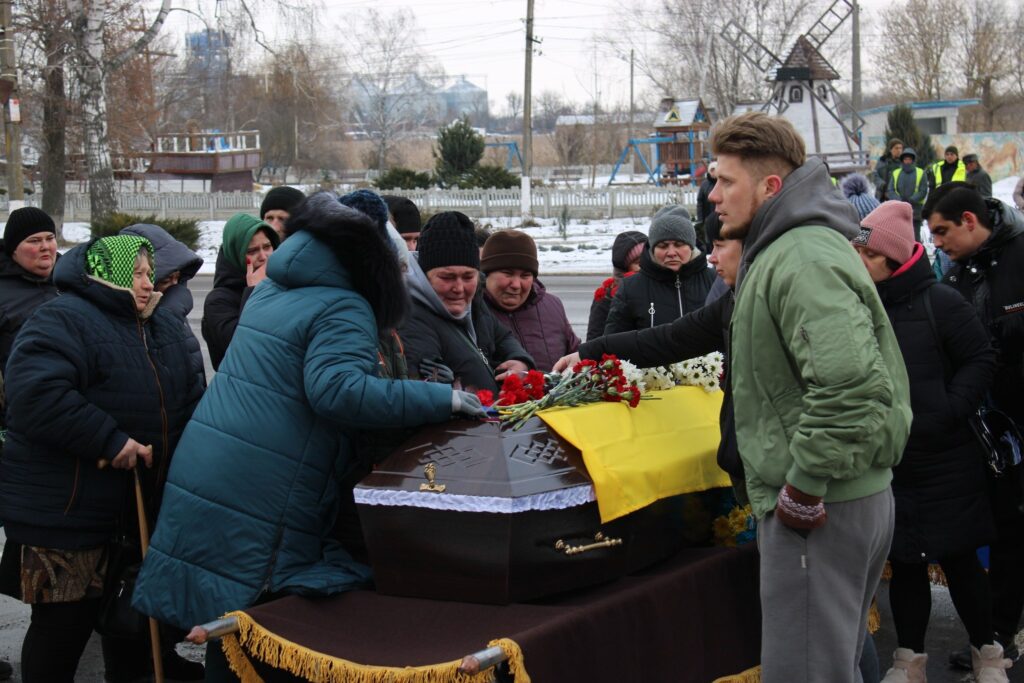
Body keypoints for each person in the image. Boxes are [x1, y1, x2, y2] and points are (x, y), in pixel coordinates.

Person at [132, 194, 488, 681]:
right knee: (262, 621)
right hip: (266, 485)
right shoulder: (345, 304)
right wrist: (443, 399)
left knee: (230, 615)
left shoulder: (277, 287)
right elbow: (337, 391)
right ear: (374, 263)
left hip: (218, 466)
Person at [707, 111, 912, 683]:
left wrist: (803, 488)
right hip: (837, 497)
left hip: (822, 507)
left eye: (726, 181)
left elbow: (850, 384)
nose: (714, 195)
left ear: (770, 186)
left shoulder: (801, 256)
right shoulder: (790, 247)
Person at [0, 235, 204, 683]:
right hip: (67, 514)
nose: (148, 284)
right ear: (106, 274)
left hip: (135, 513)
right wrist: (111, 441)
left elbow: (190, 398)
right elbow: (36, 395)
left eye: (149, 274)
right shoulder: (62, 318)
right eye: (137, 274)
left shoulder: (161, 325)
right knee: (62, 630)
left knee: (128, 622)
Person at [850, 201, 1009, 682]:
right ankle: (909, 661)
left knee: (960, 562)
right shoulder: (858, 305)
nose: (859, 261)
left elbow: (981, 358)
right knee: (906, 562)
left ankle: (988, 656)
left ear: (894, 258)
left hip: (947, 459)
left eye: (868, 254)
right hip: (892, 461)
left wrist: (948, 409)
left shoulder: (941, 301)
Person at [923, 183, 1024, 671]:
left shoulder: (1020, 256)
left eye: (942, 231)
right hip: (990, 433)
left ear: (969, 220)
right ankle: (999, 637)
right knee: (1006, 531)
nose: (937, 243)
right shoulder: (954, 276)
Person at [399, 211, 534, 393]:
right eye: (447, 277)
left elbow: (502, 336)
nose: (459, 288)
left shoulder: (474, 301)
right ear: (424, 275)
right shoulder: (411, 318)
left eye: (468, 276)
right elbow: (427, 392)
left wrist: (519, 361)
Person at [481, 229, 579, 372]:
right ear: (486, 274)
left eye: (525, 276)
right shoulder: (472, 312)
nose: (516, 285)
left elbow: (575, 356)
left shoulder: (553, 306)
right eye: (508, 274)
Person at [120, 223, 205, 388]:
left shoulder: (175, 311)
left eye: (178, 278)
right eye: (166, 280)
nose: (175, 287)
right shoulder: (125, 323)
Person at [603, 211, 714, 334]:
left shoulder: (715, 281)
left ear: (691, 247)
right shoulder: (630, 288)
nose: (671, 253)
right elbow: (614, 340)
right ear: (652, 250)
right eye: (663, 246)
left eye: (679, 245)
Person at [201, 213, 280, 371]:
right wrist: (254, 292)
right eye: (252, 251)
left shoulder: (281, 285)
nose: (263, 257)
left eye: (267, 247)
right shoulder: (218, 301)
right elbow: (241, 348)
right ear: (235, 254)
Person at [0, 207, 59, 372]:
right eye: (34, 241)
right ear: (14, 250)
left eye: (50, 238)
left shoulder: (74, 281)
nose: (45, 246)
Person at [587, 230, 646, 342]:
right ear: (624, 268)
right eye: (638, 263)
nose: (645, 265)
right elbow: (594, 341)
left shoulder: (660, 287)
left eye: (648, 259)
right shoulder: (607, 296)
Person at [888, 148, 928, 230]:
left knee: (915, 235)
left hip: (915, 211)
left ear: (913, 160)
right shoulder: (896, 173)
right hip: (899, 210)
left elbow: (923, 191)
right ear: (902, 160)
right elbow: (891, 190)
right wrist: (899, 200)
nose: (907, 161)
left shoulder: (921, 173)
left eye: (909, 159)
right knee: (900, 233)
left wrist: (911, 200)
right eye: (905, 159)